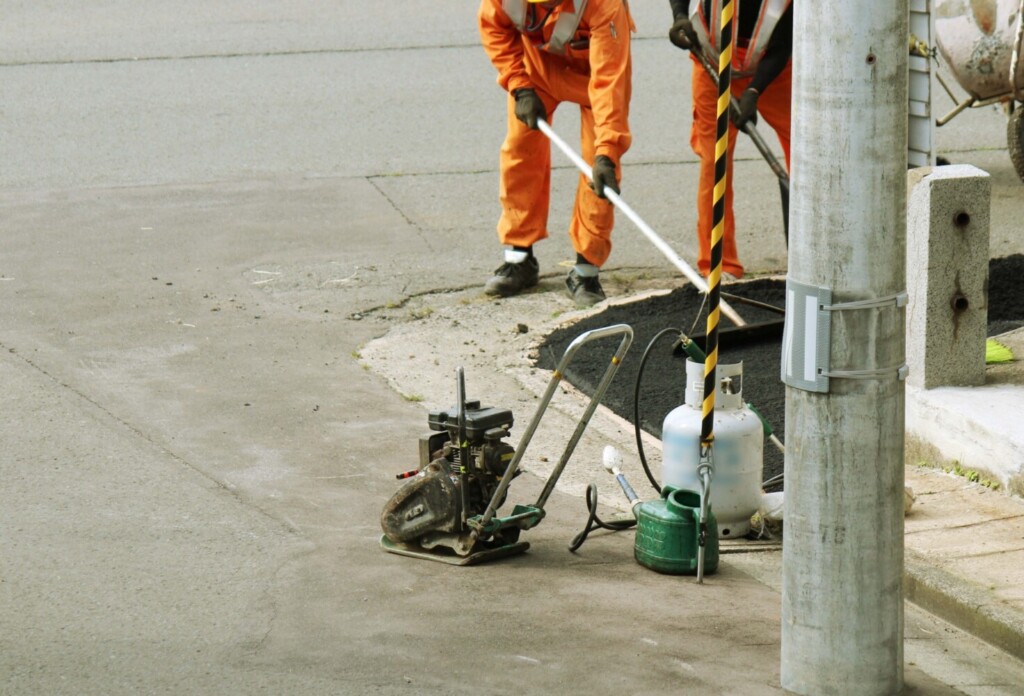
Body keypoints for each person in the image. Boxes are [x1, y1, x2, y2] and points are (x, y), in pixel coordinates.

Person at [478, 0, 635, 307]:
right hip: (535, 70)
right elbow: (494, 27)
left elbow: (608, 84)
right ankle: (518, 258)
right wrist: (519, 85)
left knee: (598, 169)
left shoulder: (604, 6)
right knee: (520, 152)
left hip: (595, 78)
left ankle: (585, 270)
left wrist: (607, 151)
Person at [668, 0, 793, 280]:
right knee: (715, 165)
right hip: (712, 62)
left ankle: (807, 263)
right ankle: (720, 269)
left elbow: (784, 43)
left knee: (805, 155)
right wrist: (678, 17)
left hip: (775, 72)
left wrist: (754, 90)